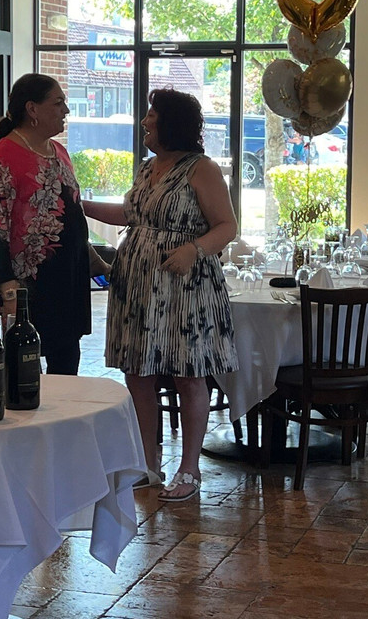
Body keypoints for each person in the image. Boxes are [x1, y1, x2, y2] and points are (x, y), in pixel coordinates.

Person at [85, 89, 237, 502]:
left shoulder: (201, 168)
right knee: (138, 372)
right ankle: (147, 464)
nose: (144, 122)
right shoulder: (147, 167)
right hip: (137, 283)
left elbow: (227, 225)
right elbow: (130, 214)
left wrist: (194, 250)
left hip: (185, 284)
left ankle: (189, 469)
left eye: (151, 115)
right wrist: (80, 204)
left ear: (171, 122)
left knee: (188, 373)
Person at [0, 73, 90, 375]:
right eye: (58, 103)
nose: (66, 110)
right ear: (32, 109)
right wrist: (9, 291)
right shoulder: (1, 156)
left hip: (67, 281)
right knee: (23, 371)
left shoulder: (59, 152)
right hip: (27, 286)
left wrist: (97, 264)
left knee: (67, 369)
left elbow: (72, 215)